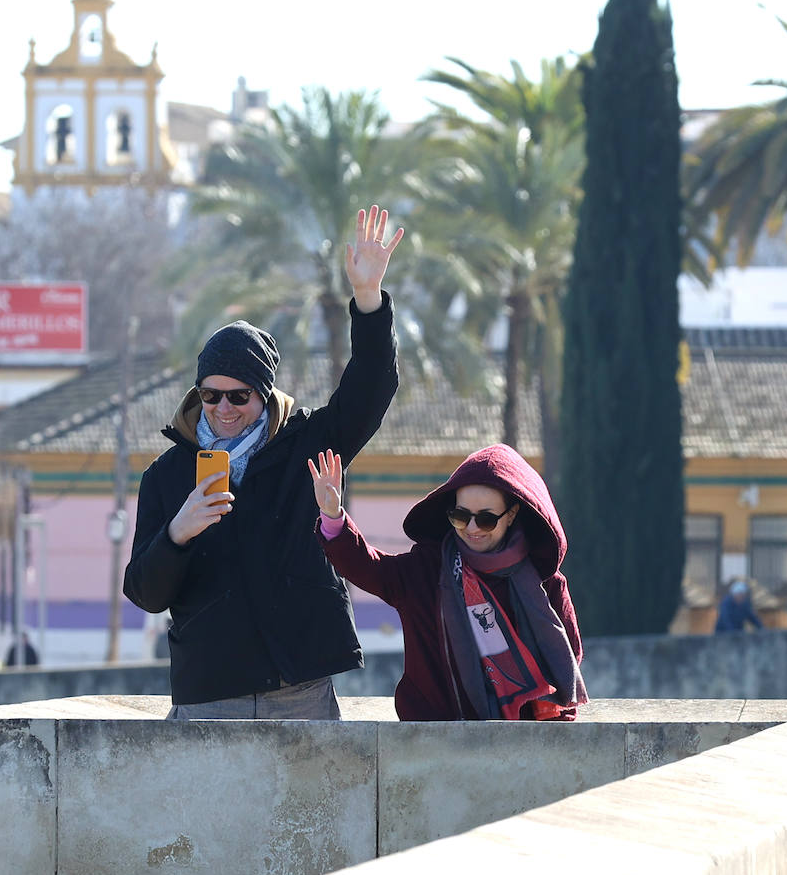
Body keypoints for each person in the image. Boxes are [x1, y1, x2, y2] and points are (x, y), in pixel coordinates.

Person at [123, 206, 403, 720]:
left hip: (299, 687)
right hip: (209, 691)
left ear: (265, 394)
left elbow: (372, 387)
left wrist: (367, 299)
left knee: (319, 805)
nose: (224, 409)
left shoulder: (307, 445)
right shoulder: (166, 476)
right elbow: (144, 592)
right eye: (211, 396)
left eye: (240, 396)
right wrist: (177, 534)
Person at [308, 443, 587, 721]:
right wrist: (333, 518)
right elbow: (367, 568)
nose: (472, 528)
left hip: (523, 741)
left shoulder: (545, 582)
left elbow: (567, 658)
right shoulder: (426, 569)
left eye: (487, 519)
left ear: (512, 514)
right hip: (433, 740)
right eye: (461, 516)